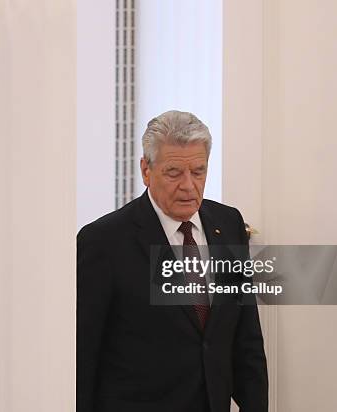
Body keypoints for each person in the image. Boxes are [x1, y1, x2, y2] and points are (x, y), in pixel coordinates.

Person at [77, 110, 268, 412]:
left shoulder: (228, 223)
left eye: (198, 171)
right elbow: (84, 355)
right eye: (174, 172)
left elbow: (246, 337)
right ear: (146, 169)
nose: (189, 186)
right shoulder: (103, 241)